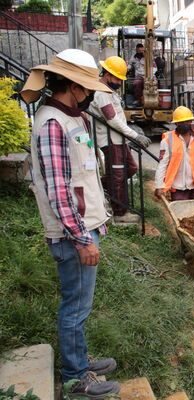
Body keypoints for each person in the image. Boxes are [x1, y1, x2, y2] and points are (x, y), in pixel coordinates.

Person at [20, 49, 120, 398]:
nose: (93, 94)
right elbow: (59, 191)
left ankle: (79, 359)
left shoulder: (72, 117)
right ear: (74, 86)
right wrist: (82, 239)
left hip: (81, 227)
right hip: (71, 234)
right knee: (75, 307)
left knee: (79, 304)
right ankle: (76, 376)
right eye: (89, 88)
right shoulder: (52, 124)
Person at [88, 56, 152, 224]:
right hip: (111, 141)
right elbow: (112, 120)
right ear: (107, 74)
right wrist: (135, 135)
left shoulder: (109, 92)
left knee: (130, 169)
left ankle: (97, 186)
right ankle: (120, 213)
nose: (119, 82)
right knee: (117, 176)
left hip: (119, 140)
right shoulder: (101, 93)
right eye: (117, 78)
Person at [154, 106, 194, 201]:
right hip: (178, 187)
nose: (183, 124)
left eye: (186, 121)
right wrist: (159, 186)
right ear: (176, 123)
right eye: (180, 122)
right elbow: (162, 165)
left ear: (190, 121)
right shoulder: (168, 140)